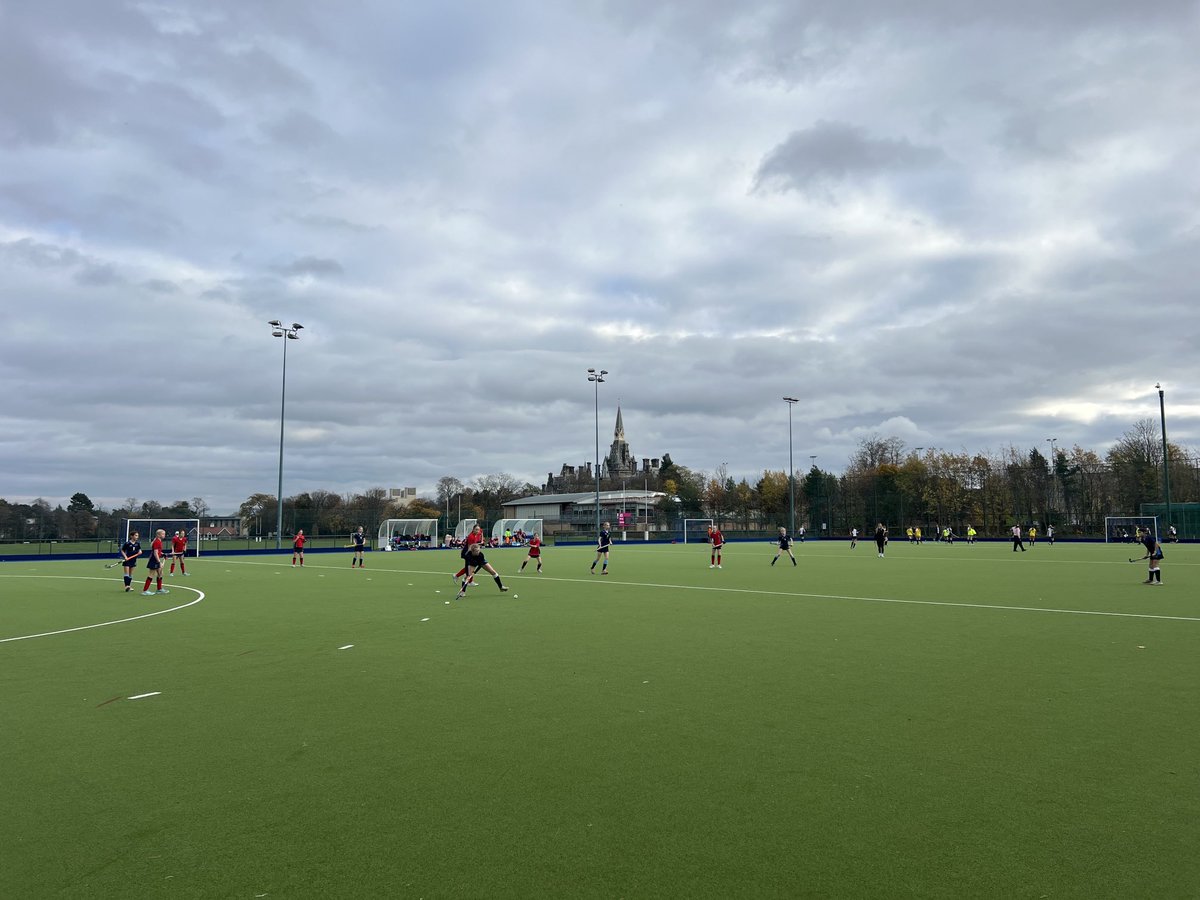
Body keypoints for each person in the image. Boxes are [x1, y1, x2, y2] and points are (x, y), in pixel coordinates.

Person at [142, 529, 168, 595]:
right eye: (163, 534)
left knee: (160, 573)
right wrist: (159, 562)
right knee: (151, 574)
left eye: (164, 534)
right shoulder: (157, 542)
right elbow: (155, 553)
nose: (164, 535)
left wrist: (163, 554)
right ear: (158, 535)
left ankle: (159, 589)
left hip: (156, 559)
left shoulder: (159, 541)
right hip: (154, 560)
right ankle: (145, 590)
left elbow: (158, 551)